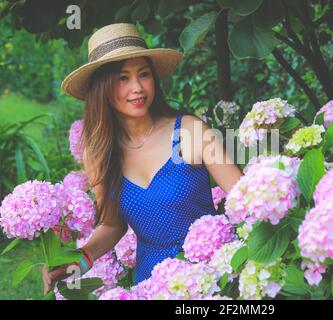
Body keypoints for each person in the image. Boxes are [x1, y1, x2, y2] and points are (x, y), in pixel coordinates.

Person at [42, 23, 243, 295]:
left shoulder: (189, 131)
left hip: (211, 274)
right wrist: (78, 261)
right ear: (102, 87)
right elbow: (112, 225)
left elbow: (244, 197)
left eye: (144, 74)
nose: (137, 87)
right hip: (150, 281)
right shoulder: (99, 151)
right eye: (123, 78)